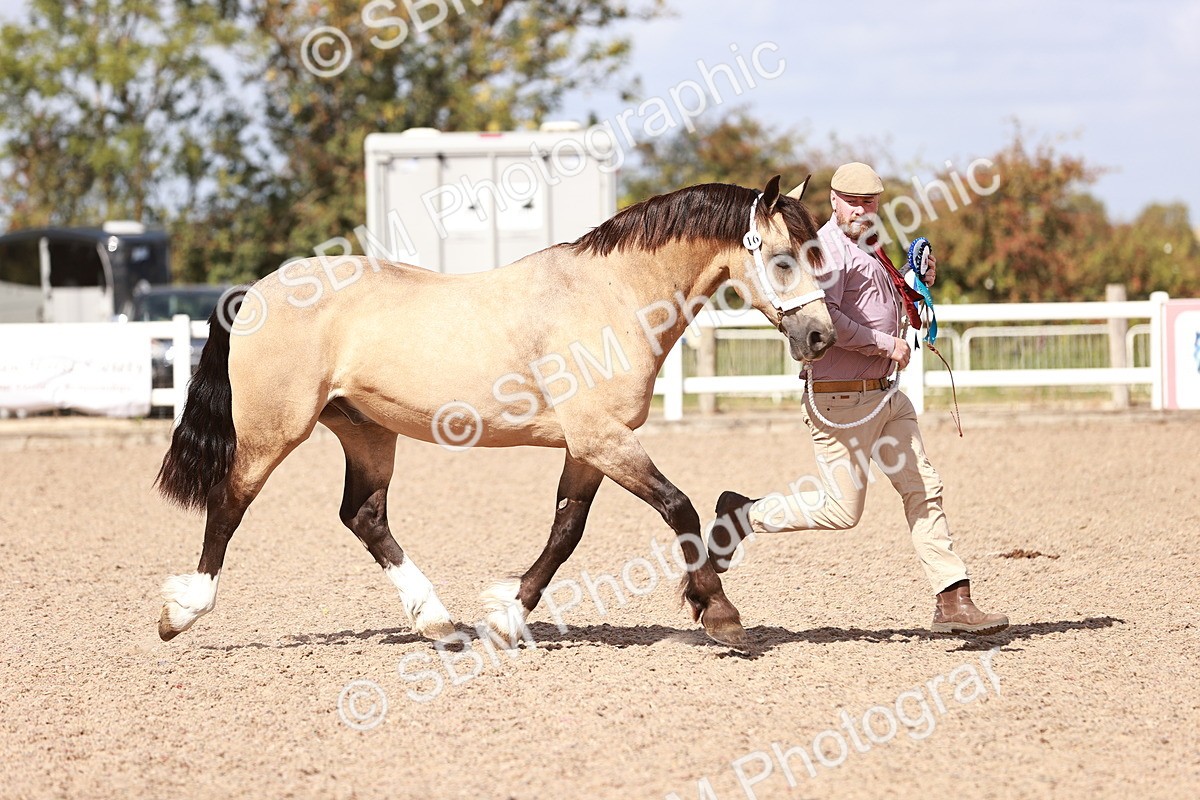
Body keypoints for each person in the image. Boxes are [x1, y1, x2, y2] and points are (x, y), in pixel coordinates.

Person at [709, 162, 1008, 635]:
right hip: (842, 399)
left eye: (871, 203)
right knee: (841, 511)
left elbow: (882, 302)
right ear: (834, 201)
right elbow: (826, 323)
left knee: (923, 488)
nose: (863, 211)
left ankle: (953, 599)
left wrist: (914, 281)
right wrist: (884, 344)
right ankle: (742, 515)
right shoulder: (827, 252)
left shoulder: (869, 248)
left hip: (886, 397)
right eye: (854, 202)